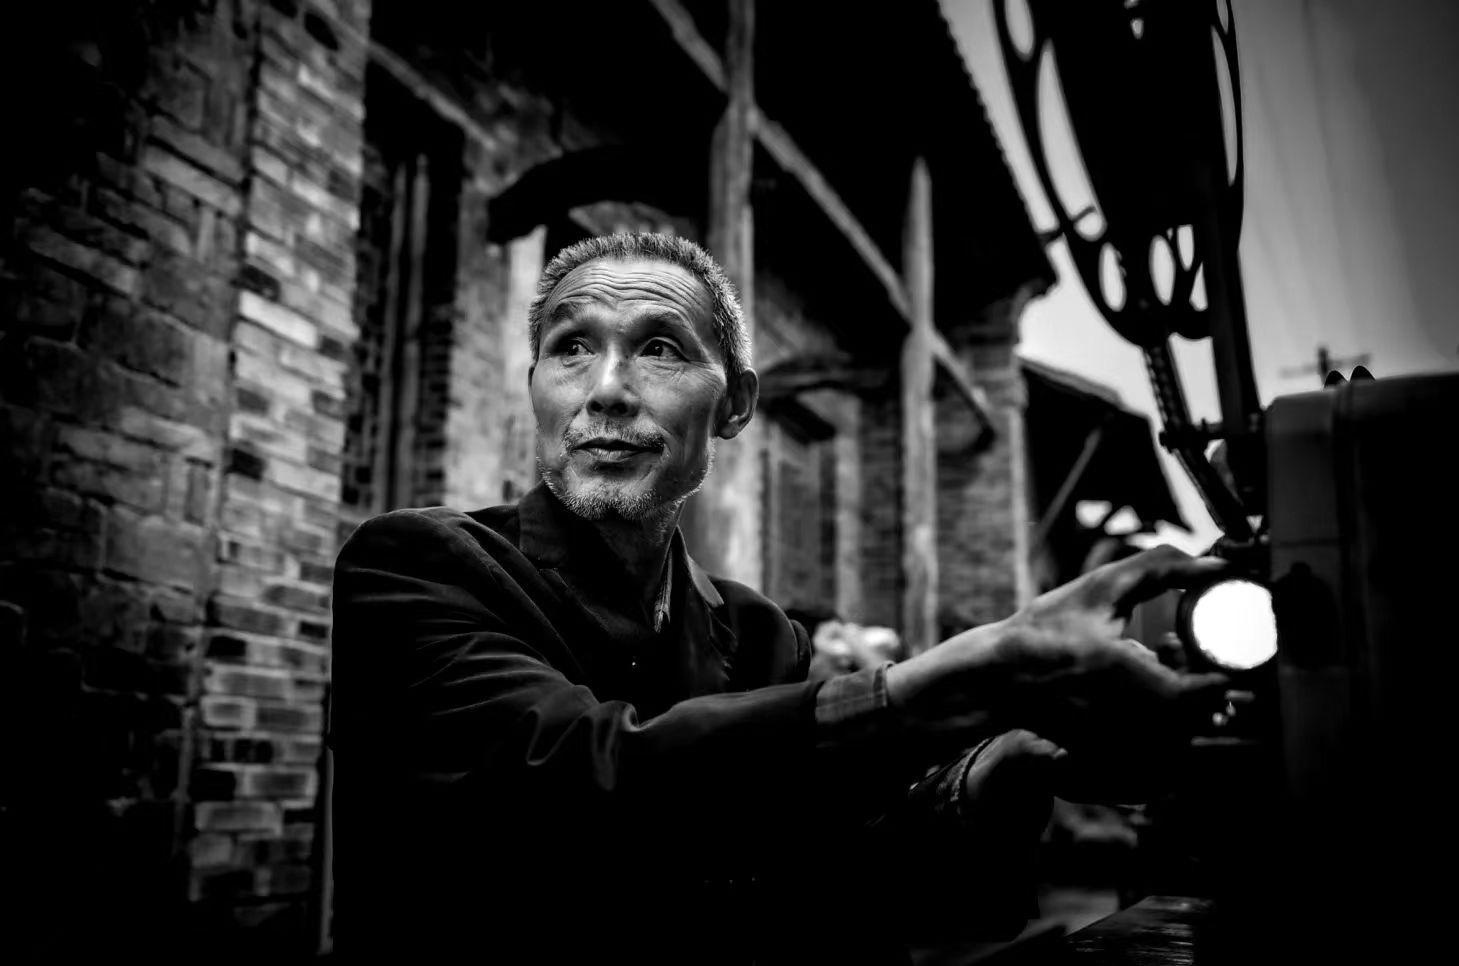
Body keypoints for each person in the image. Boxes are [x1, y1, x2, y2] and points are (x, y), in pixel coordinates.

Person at [328, 232, 1227, 962]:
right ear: (534, 387)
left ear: (734, 405)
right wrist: (976, 672)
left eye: (658, 348)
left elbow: (837, 881)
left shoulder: (759, 634)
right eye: (570, 348)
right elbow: (582, 781)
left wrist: (1007, 763)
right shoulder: (420, 564)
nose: (604, 391)